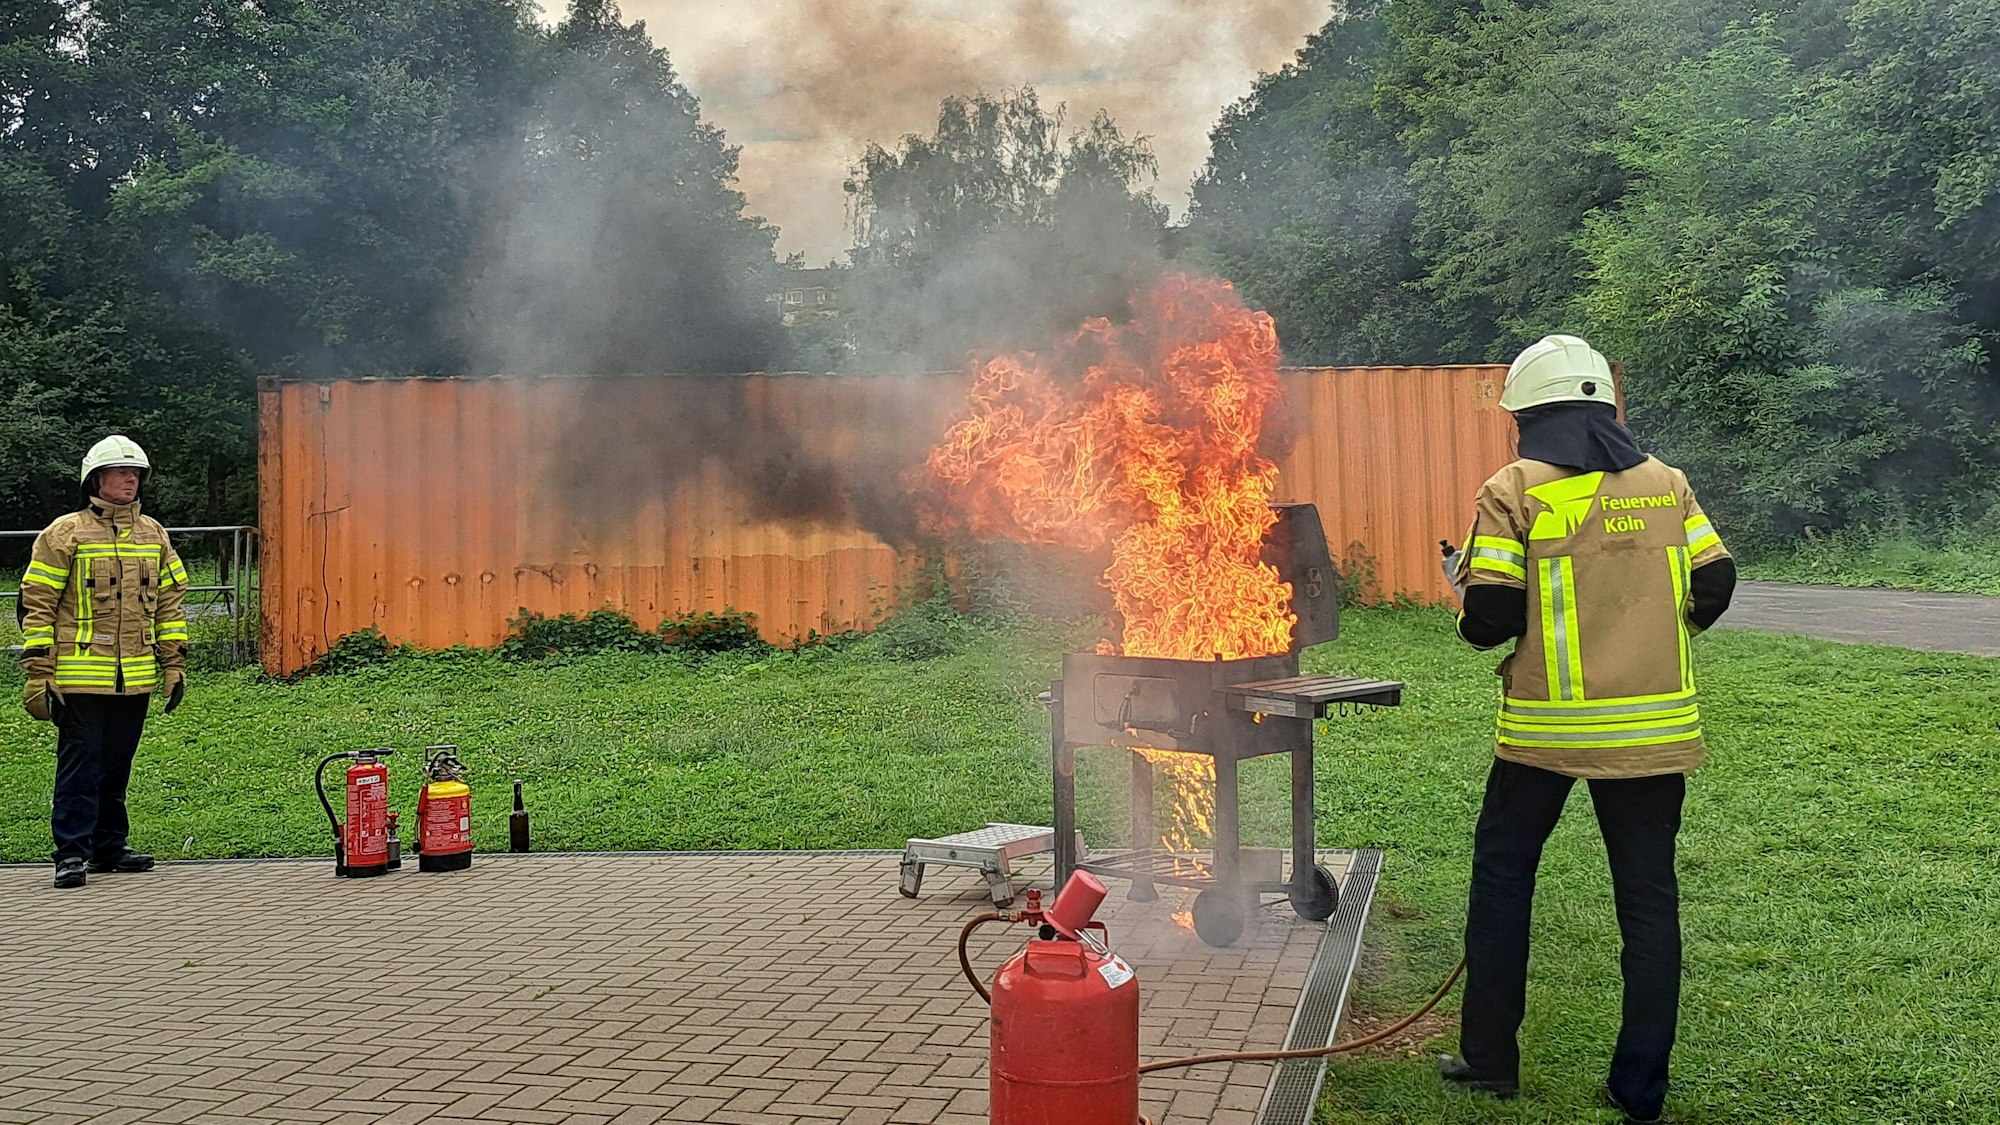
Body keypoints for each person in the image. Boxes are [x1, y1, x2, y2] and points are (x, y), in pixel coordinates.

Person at [1437, 336, 1736, 1124]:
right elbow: (1716, 580)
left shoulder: (1514, 489)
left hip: (1547, 731)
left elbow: (1491, 616)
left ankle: (1489, 1061)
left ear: (1528, 417)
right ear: (1605, 407)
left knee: (1504, 879)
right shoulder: (1666, 483)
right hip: (1654, 732)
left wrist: (1461, 606)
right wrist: (1659, 635)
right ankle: (1640, 1089)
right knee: (1648, 902)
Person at [19, 435, 189, 889]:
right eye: (120, 472)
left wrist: (174, 664)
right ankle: (71, 853)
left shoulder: (154, 534)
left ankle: (109, 847)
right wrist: (39, 672)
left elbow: (170, 604)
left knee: (116, 765)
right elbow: (37, 604)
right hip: (78, 676)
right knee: (81, 766)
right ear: (95, 479)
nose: (130, 480)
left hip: (135, 675)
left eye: (136, 473)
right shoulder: (64, 533)